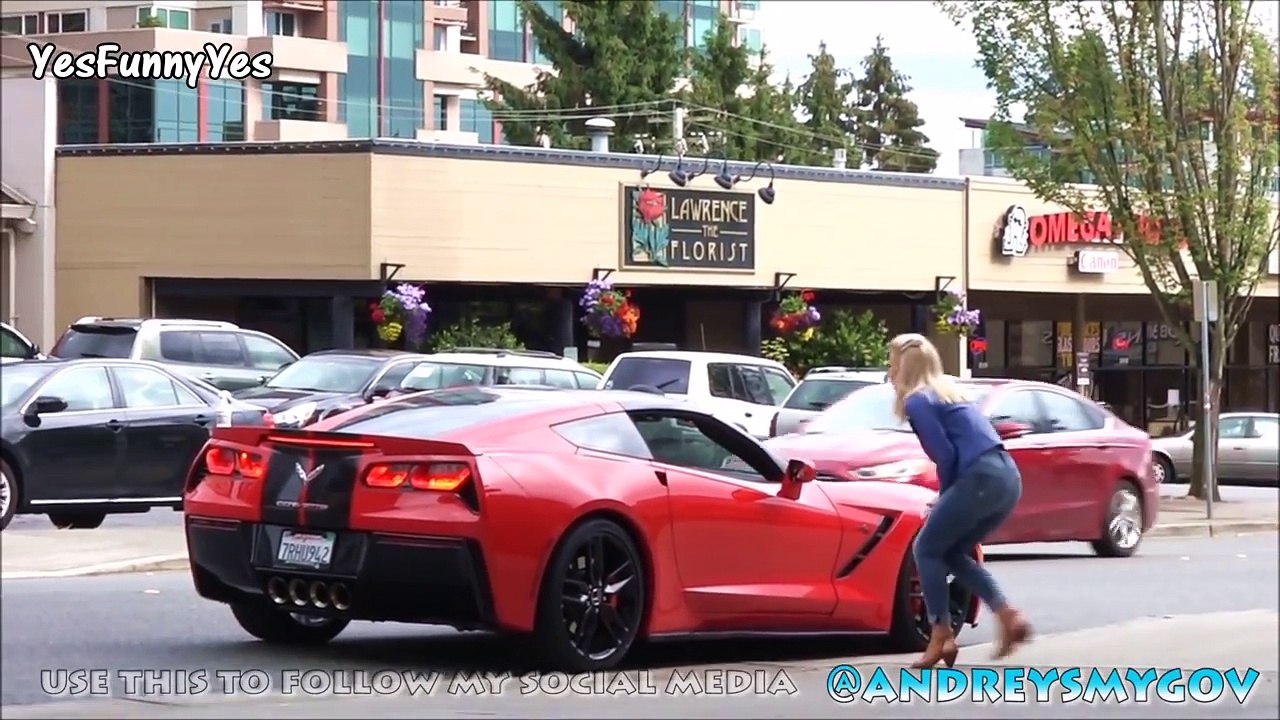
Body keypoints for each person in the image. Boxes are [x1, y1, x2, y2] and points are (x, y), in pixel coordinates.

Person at [886, 333, 1032, 668]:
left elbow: (946, 456)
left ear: (904, 368)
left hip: (977, 477)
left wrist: (944, 497)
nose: (890, 372)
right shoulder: (951, 394)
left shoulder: (918, 401)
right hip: (1007, 477)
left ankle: (941, 632)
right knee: (951, 552)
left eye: (892, 364)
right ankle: (1008, 617)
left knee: (925, 548)